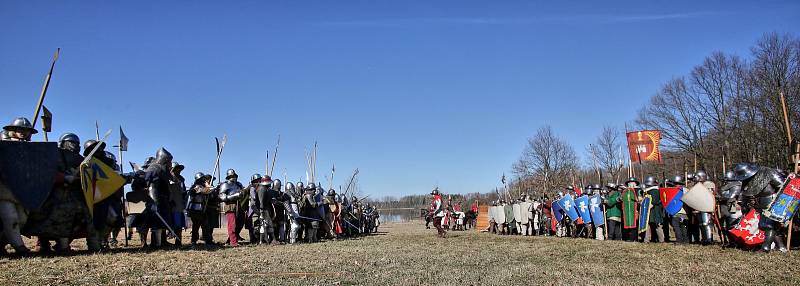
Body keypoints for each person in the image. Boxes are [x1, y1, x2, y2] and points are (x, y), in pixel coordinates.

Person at [0, 117, 38, 254]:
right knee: (11, 218)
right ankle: (19, 247)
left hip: (22, 192)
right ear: (13, 130)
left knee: (22, 220)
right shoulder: (3, 145)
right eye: (20, 129)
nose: (23, 132)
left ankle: (1, 243)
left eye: (26, 130)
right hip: (4, 190)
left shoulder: (30, 149)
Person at [186, 172, 214, 248]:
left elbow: (209, 192)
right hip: (195, 210)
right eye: (202, 179)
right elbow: (206, 190)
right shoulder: (196, 186)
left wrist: (208, 187)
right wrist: (208, 186)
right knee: (196, 227)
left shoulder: (202, 186)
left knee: (205, 225)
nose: (204, 180)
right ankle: (193, 241)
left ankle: (208, 241)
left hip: (202, 209)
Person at [219, 169, 244, 247]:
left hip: (239, 205)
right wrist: (234, 196)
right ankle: (233, 242)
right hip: (230, 206)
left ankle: (230, 240)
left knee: (240, 223)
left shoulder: (238, 184)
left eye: (234, 176)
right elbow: (221, 196)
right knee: (232, 225)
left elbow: (243, 193)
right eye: (232, 176)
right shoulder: (225, 185)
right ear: (228, 176)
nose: (233, 177)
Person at [168, 162, 187, 247]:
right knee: (167, 224)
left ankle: (178, 241)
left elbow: (184, 193)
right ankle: (164, 242)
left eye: (179, 169)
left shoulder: (181, 179)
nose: (178, 171)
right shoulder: (167, 178)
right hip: (169, 205)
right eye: (176, 169)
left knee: (178, 224)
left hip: (179, 206)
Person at [644, 176, 665, 243]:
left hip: (655, 211)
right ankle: (647, 240)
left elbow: (654, 201)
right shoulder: (649, 191)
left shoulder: (655, 191)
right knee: (648, 225)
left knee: (657, 225)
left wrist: (650, 205)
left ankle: (661, 240)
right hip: (650, 211)